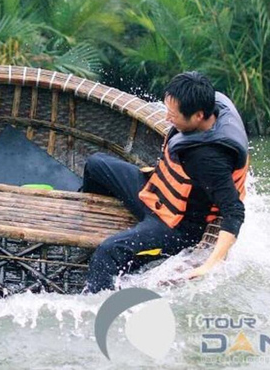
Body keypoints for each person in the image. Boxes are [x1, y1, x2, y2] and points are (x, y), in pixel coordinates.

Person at [84, 72, 249, 293]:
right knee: (95, 164)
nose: (166, 119)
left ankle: (94, 304)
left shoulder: (208, 159)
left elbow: (234, 211)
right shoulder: (214, 105)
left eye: (173, 115)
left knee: (107, 251)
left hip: (175, 226)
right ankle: (87, 219)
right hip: (155, 192)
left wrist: (209, 265)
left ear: (198, 115)